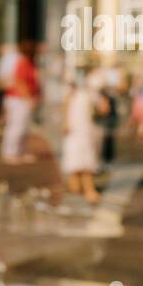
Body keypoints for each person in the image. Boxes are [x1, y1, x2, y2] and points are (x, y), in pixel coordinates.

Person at [61, 71, 101, 203]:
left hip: (82, 131)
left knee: (80, 160)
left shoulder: (84, 93)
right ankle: (86, 190)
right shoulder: (79, 93)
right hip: (79, 131)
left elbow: (102, 107)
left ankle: (83, 189)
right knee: (80, 161)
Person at [0, 38, 39, 163]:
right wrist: (28, 99)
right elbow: (19, 82)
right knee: (16, 126)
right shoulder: (23, 62)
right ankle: (10, 152)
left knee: (23, 127)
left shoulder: (27, 62)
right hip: (18, 99)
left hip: (22, 99)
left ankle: (20, 151)